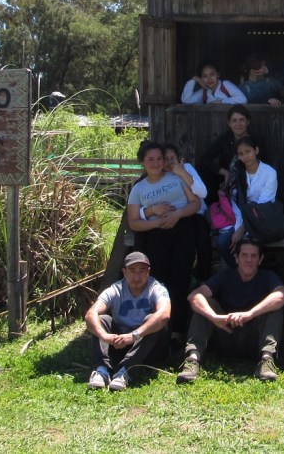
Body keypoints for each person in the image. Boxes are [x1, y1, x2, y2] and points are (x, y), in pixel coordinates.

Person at [176, 238, 284, 383]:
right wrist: (214, 317)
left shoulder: (268, 277)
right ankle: (192, 360)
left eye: (253, 256)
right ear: (236, 258)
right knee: (204, 303)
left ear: (260, 259)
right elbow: (194, 296)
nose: (249, 260)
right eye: (244, 255)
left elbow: (282, 295)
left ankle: (267, 361)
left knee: (274, 307)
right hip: (226, 334)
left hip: (254, 340)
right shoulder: (225, 276)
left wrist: (250, 314)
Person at [126, 140, 201, 341]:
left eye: (159, 158)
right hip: (156, 234)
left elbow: (195, 203)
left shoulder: (176, 178)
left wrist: (177, 214)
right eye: (150, 159)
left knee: (181, 278)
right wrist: (156, 219)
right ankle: (158, 328)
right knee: (158, 280)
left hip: (182, 229)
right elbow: (134, 222)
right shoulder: (138, 189)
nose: (156, 163)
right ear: (142, 162)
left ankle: (177, 330)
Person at [85, 251, 171, 391]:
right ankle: (101, 370)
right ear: (124, 272)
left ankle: (125, 370)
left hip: (146, 346)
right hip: (119, 343)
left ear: (148, 272)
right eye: (132, 271)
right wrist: (104, 335)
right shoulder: (115, 289)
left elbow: (164, 314)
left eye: (142, 271)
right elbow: (90, 314)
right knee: (102, 320)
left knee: (153, 319)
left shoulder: (157, 289)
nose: (137, 277)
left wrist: (134, 335)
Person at [163, 143, 213, 282]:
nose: (169, 162)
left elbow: (202, 192)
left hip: (196, 213)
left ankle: (204, 278)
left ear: (180, 159)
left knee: (202, 236)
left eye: (173, 158)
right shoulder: (160, 174)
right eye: (166, 159)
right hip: (174, 214)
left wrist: (181, 173)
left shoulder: (187, 168)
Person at [226, 135, 284, 250]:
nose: (245, 156)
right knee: (223, 243)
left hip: (263, 218)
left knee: (248, 245)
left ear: (256, 150)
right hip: (240, 218)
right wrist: (238, 227)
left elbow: (262, 205)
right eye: (241, 154)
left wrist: (242, 229)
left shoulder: (269, 173)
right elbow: (235, 201)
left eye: (248, 151)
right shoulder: (237, 172)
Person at [197, 104, 259, 203]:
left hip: (248, 180)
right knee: (202, 169)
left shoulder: (256, 140)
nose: (238, 124)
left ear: (248, 121)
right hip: (226, 179)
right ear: (229, 123)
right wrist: (225, 173)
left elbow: (263, 165)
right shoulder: (225, 138)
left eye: (241, 120)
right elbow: (205, 159)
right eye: (234, 120)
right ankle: (212, 205)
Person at [180, 61, 247, 105]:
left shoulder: (225, 84)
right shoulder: (204, 92)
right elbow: (186, 100)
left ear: (218, 75)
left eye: (212, 74)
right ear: (201, 78)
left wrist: (221, 102)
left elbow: (243, 99)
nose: (209, 79)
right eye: (205, 76)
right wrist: (195, 79)